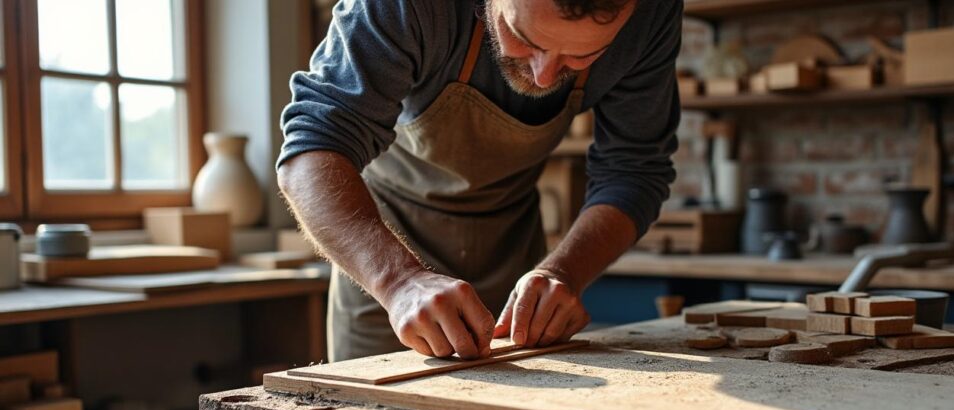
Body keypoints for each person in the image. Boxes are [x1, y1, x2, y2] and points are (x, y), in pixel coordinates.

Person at [278, 0, 680, 361]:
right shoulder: (408, 7)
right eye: (524, 39)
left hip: (515, 251)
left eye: (582, 56)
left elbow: (634, 169)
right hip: (383, 253)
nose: (543, 77)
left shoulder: (649, 14)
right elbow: (312, 148)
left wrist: (564, 273)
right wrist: (398, 280)